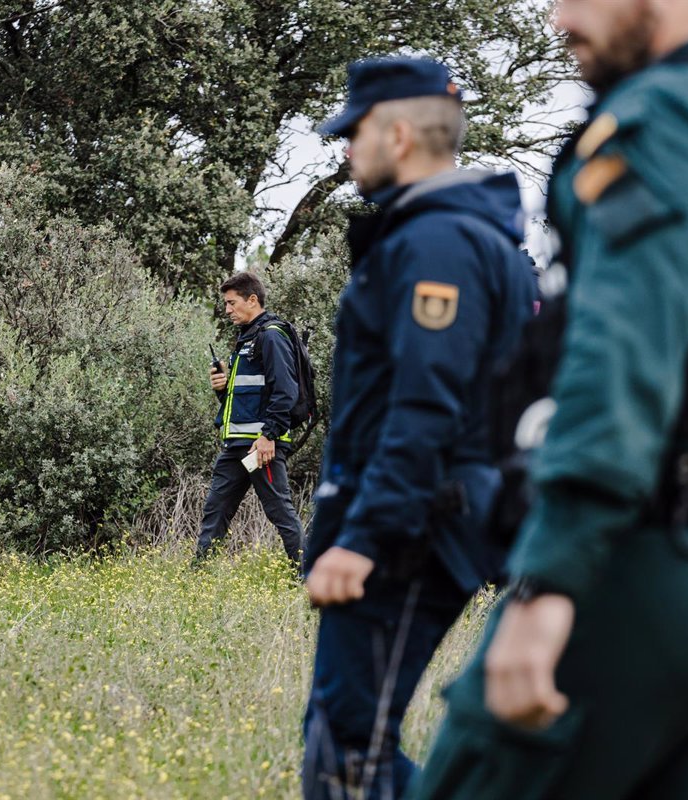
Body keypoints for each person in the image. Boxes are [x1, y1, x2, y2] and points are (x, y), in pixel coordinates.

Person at [407, 1, 688, 798]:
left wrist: (549, 581)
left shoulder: (666, 114)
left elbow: (624, 356)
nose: (556, 20)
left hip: (661, 555)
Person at [301, 58, 538, 799]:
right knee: (342, 742)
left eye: (356, 132)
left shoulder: (437, 243)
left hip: (411, 532)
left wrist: (364, 538)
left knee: (347, 752)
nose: (346, 149)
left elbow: (426, 405)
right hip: (415, 520)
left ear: (398, 134)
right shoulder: (456, 234)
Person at [195, 272, 305, 569]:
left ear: (252, 299)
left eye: (232, 303)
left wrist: (269, 436)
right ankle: (197, 577)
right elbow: (244, 397)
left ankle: (308, 577)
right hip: (236, 445)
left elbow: (285, 391)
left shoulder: (270, 336)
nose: (227, 310)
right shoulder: (246, 339)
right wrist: (222, 388)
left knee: (280, 512)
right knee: (215, 510)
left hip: (261, 447)